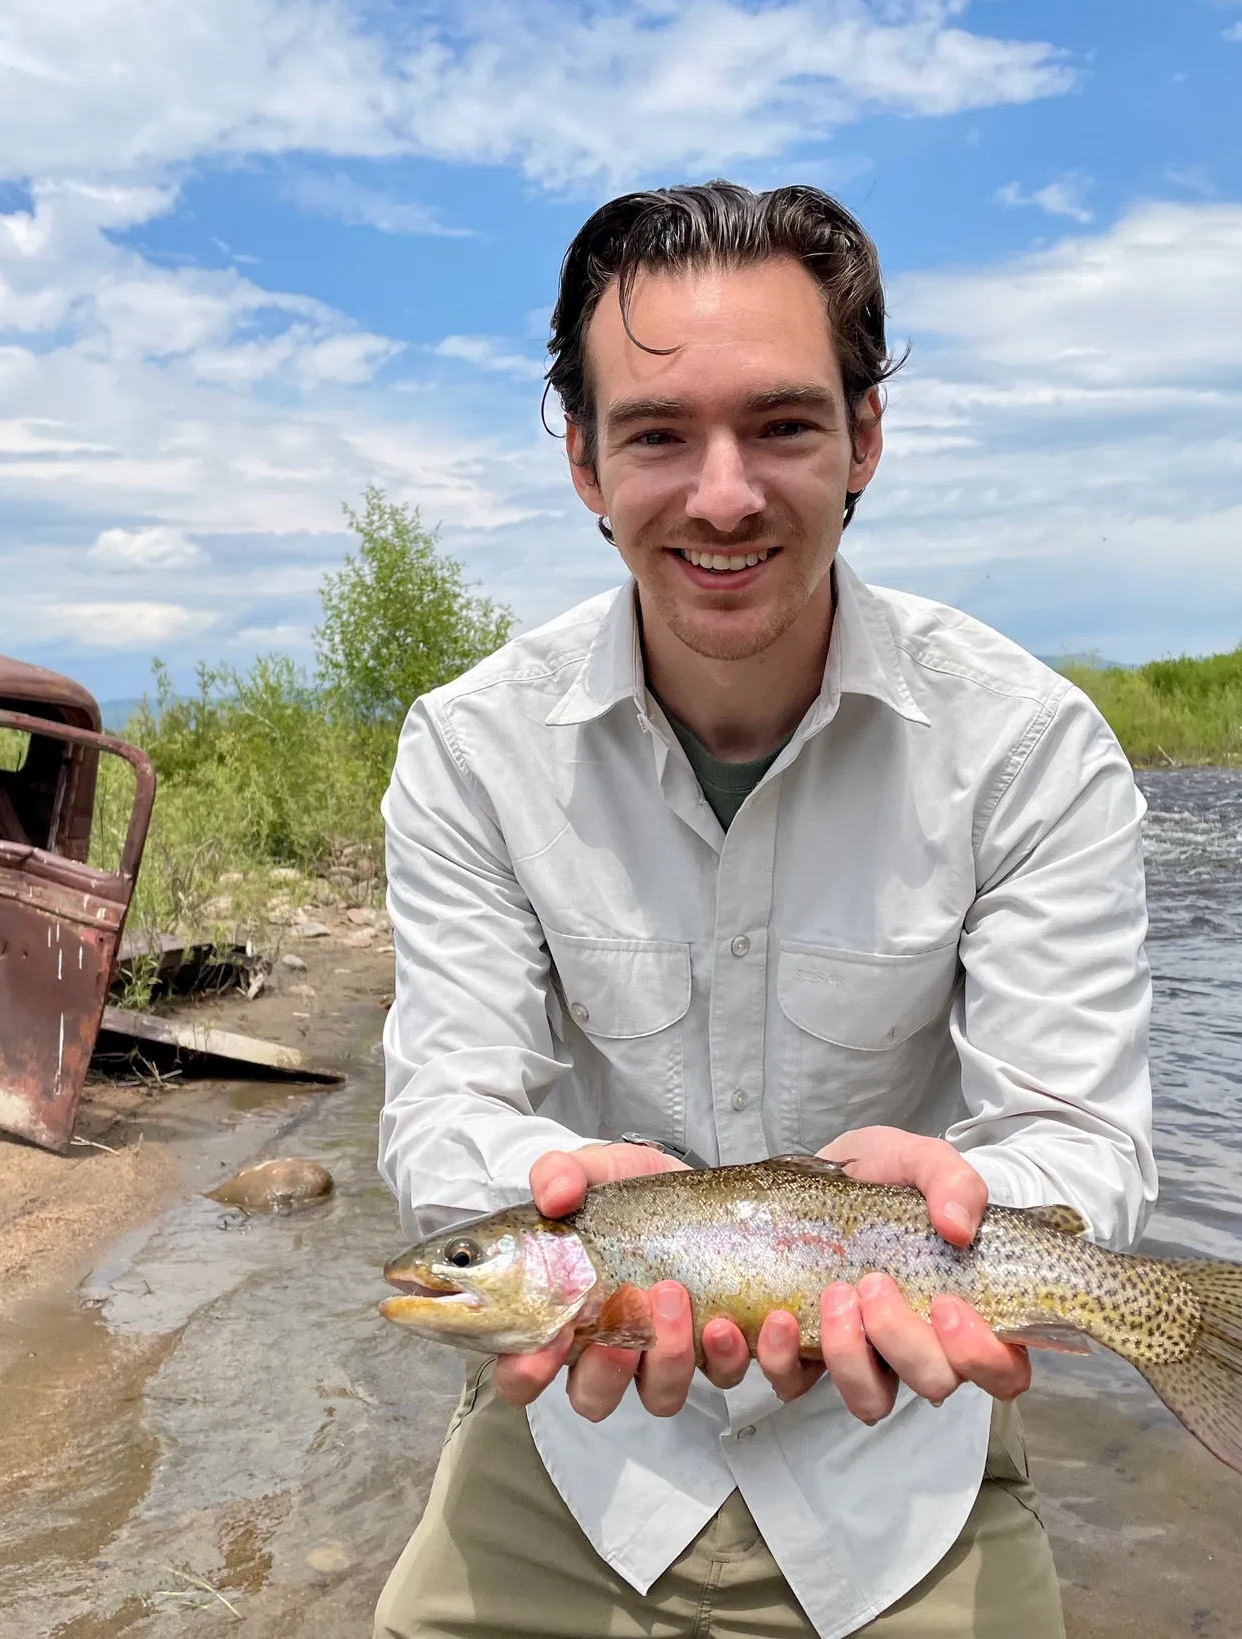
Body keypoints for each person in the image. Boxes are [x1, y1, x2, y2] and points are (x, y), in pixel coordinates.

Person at [373, 180, 1154, 1639]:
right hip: (580, 1455)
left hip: (902, 1461)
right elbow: (443, 1109)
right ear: (584, 461)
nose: (722, 494)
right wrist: (558, 1187)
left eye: (783, 427)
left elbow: (1084, 1135)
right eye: (658, 434)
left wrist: (972, 1194)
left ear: (865, 439)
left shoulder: (1031, 748)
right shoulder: (473, 751)